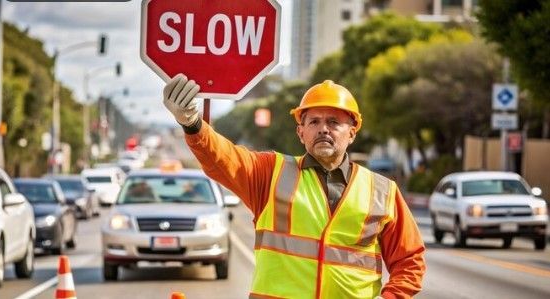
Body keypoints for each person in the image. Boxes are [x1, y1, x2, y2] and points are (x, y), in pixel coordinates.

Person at [163, 74, 426, 299]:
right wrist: (193, 124)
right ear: (301, 133)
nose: (324, 129)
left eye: (334, 122)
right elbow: (223, 157)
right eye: (314, 122)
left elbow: (409, 260)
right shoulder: (270, 173)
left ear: (352, 132)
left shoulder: (382, 190)